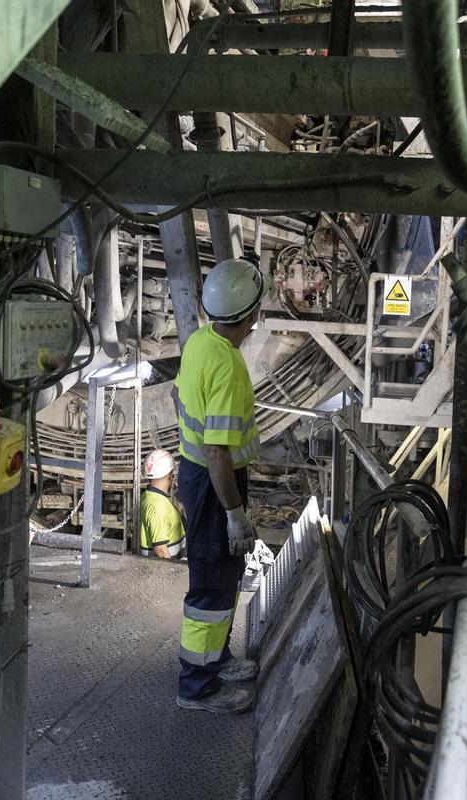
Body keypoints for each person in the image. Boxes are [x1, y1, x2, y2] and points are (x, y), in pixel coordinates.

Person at [174, 257, 264, 715]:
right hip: (214, 482)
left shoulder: (200, 341)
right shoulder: (227, 367)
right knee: (210, 587)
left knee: (225, 576)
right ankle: (197, 685)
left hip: (200, 475)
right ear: (253, 315)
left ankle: (218, 657)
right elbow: (217, 451)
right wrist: (233, 511)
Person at [138, 449, 185, 559]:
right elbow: (161, 551)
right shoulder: (157, 505)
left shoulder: (150, 496)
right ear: (170, 476)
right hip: (168, 569)